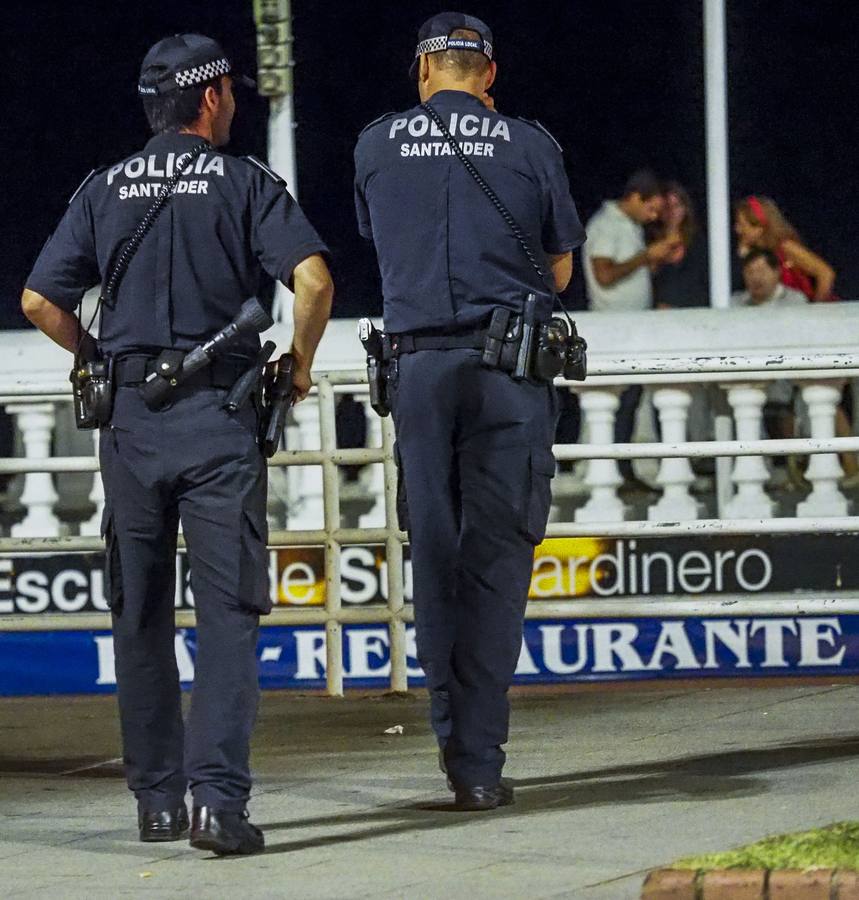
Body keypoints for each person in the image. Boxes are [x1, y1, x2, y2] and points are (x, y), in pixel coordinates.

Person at [21, 34, 333, 855]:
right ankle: (217, 807)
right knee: (228, 614)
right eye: (229, 92)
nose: (232, 103)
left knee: (140, 613)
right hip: (219, 420)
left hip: (129, 422)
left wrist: (97, 361)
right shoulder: (244, 184)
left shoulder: (104, 187)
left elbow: (37, 301)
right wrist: (296, 367)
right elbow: (312, 281)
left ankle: (155, 803)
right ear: (209, 97)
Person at [354, 12, 585, 810]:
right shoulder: (530, 145)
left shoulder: (376, 144)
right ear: (488, 75)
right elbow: (557, 270)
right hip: (507, 376)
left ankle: (452, 740)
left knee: (436, 563)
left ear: (423, 74)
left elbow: (382, 245)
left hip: (417, 372)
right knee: (496, 566)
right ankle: (476, 763)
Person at [584, 170, 680, 491]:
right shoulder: (605, 225)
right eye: (651, 208)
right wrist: (645, 258)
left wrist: (652, 257)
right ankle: (614, 471)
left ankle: (625, 471)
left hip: (635, 330)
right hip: (614, 331)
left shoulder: (629, 227)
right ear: (635, 197)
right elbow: (604, 275)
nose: (653, 216)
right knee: (619, 404)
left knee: (632, 402)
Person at [734, 195, 836, 301]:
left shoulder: (786, 247)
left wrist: (817, 309)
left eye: (741, 225)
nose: (737, 230)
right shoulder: (750, 252)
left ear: (758, 228)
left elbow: (825, 273)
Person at [650, 181, 709, 309]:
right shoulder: (651, 241)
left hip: (692, 312)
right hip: (659, 315)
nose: (672, 212)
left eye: (676, 206)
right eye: (667, 207)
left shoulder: (698, 241)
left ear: (685, 208)